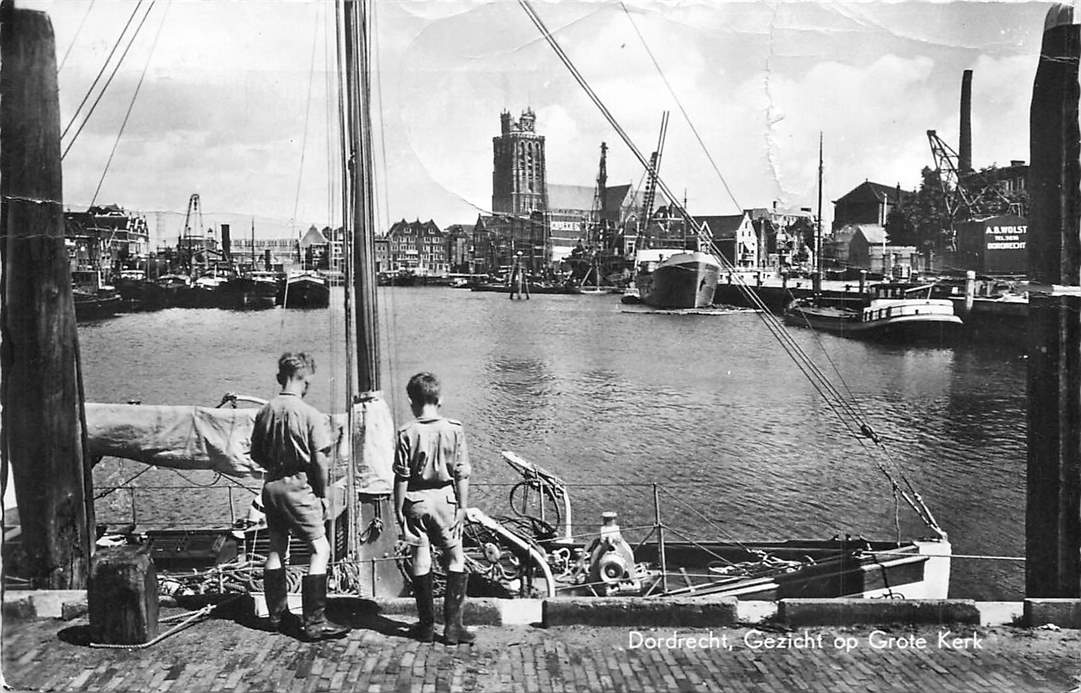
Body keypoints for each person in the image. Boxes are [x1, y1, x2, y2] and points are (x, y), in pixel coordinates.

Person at [250, 352, 349, 641]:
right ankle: (315, 622)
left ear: (282, 376)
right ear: (303, 379)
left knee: (277, 547)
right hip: (298, 487)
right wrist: (322, 493)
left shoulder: (264, 411)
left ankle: (277, 616)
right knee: (321, 550)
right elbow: (320, 461)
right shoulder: (310, 415)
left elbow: (256, 454)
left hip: (271, 487)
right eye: (308, 382)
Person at [393, 372, 475, 645]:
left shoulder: (406, 432)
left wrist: (398, 512)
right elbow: (462, 474)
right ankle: (453, 628)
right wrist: (462, 507)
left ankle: (426, 627)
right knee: (455, 558)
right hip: (446, 501)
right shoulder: (454, 429)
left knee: (421, 559)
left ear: (411, 401)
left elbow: (401, 478)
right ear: (440, 399)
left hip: (416, 502)